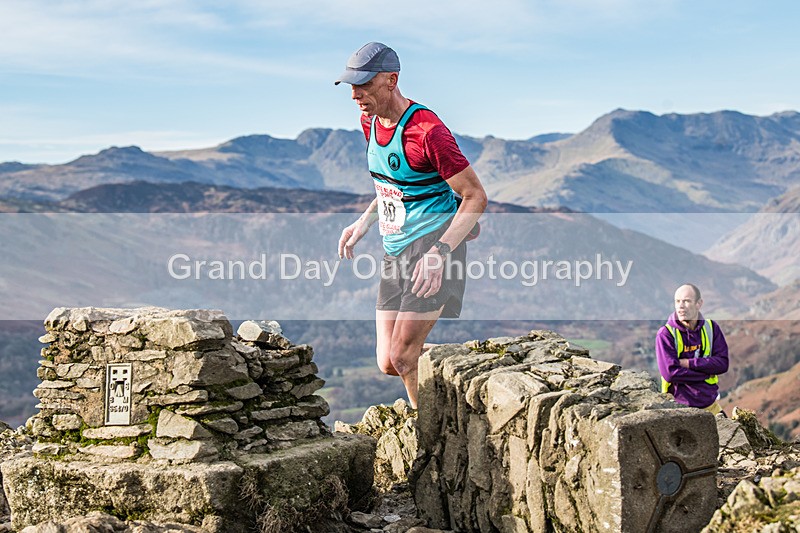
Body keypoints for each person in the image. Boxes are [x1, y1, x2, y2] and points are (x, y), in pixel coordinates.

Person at [335, 42, 487, 408]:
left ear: (391, 80)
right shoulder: (368, 121)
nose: (356, 95)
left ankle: (428, 439)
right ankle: (468, 362)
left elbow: (475, 196)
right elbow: (393, 183)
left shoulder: (427, 131)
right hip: (396, 247)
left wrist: (440, 253)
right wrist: (365, 221)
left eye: (364, 84)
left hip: (435, 244)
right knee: (388, 361)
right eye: (351, 86)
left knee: (404, 357)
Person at [656, 283, 729, 415]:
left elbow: (723, 364)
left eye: (686, 301)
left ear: (699, 304)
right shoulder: (665, 334)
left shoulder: (711, 328)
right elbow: (670, 373)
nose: (681, 306)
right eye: (677, 301)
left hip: (710, 405)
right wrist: (706, 373)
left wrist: (688, 363)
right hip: (678, 408)